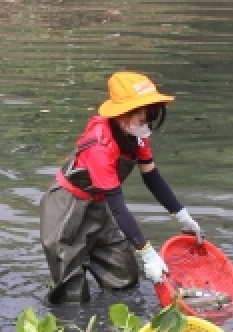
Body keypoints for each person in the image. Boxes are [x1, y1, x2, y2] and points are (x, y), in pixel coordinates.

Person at [39, 72, 203, 305]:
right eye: (142, 119)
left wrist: (181, 214)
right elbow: (118, 206)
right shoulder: (100, 145)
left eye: (150, 119)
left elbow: (152, 176)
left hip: (98, 204)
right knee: (72, 295)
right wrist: (146, 253)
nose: (146, 126)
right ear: (122, 116)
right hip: (67, 208)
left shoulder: (136, 134)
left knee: (125, 278)